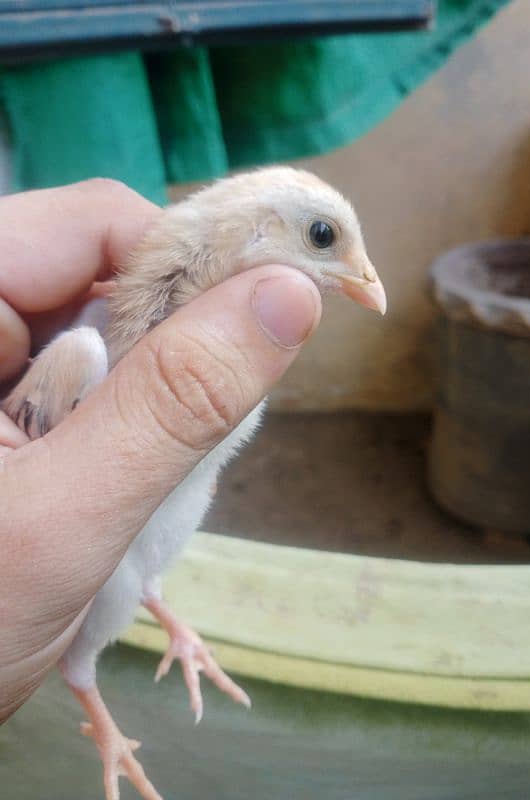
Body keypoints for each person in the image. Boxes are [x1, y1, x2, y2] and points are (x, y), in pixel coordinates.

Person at [0, 178, 321, 723]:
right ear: (261, 230)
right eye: (321, 237)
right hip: (76, 560)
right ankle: (98, 715)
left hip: (145, 546)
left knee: (149, 556)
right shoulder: (85, 349)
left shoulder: (238, 372)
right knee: (115, 583)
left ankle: (163, 614)